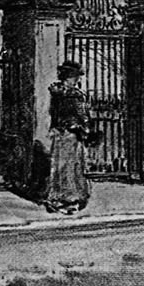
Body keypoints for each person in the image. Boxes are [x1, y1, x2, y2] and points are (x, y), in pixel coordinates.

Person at [42, 60, 93, 214]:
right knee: (71, 167)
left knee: (60, 166)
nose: (77, 80)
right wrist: (84, 127)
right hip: (71, 133)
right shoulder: (74, 95)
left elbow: (53, 114)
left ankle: (57, 198)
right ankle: (69, 199)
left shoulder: (56, 93)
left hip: (60, 132)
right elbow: (81, 115)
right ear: (69, 77)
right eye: (75, 77)